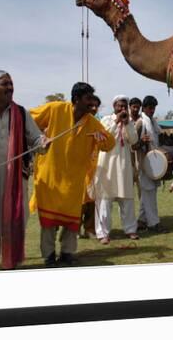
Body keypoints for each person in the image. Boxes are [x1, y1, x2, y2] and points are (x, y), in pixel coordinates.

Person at [30, 82, 116, 267]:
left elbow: (110, 144)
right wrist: (40, 136)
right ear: (76, 99)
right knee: (49, 222)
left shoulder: (92, 122)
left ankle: (67, 253)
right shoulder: (55, 109)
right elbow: (28, 120)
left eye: (93, 101)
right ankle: (49, 255)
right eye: (88, 100)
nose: (92, 105)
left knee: (71, 221)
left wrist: (103, 139)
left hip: (74, 181)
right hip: (50, 176)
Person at [0, 70, 50, 271]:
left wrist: (43, 141)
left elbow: (35, 139)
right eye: (5, 84)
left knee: (15, 218)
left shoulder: (21, 113)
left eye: (11, 84)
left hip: (16, 179)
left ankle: (12, 262)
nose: (10, 87)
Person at [93, 95, 140, 244]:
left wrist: (127, 124)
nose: (122, 109)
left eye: (124, 106)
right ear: (114, 106)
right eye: (119, 106)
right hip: (107, 166)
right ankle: (103, 233)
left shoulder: (130, 122)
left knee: (126, 198)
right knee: (105, 200)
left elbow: (133, 140)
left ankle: (131, 229)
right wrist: (116, 121)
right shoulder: (106, 120)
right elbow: (104, 136)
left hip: (124, 165)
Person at [133, 95, 166, 232]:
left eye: (154, 108)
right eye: (150, 108)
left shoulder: (153, 123)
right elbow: (132, 145)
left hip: (154, 162)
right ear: (144, 108)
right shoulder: (140, 123)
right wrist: (142, 142)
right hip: (144, 163)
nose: (152, 110)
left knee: (148, 193)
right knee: (149, 193)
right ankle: (153, 224)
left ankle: (141, 220)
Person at [80, 94, 102, 239]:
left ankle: (89, 229)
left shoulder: (98, 123)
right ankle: (74, 229)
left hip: (95, 167)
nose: (94, 109)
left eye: (96, 106)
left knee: (92, 200)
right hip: (78, 168)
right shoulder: (77, 121)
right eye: (91, 106)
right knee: (78, 201)